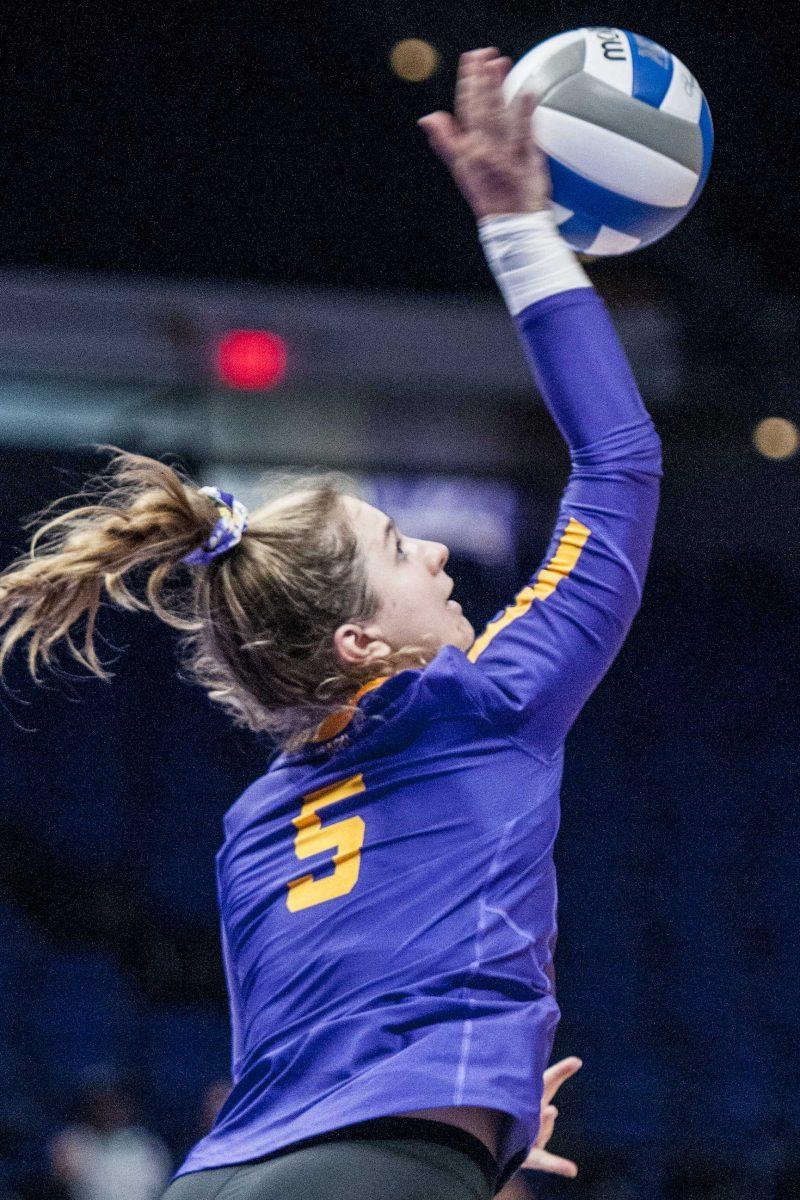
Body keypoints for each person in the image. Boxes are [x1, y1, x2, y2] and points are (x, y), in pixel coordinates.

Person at [0, 46, 661, 1200]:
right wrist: (517, 227)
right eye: (404, 551)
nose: (442, 552)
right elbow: (617, 463)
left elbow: (316, 1058)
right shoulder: (480, 705)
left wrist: (480, 1106)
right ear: (362, 643)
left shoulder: (260, 821)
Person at [48, 1071, 172, 1200]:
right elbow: (60, 1179)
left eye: (113, 1102)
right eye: (99, 1104)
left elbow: (160, 1188)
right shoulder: (73, 1140)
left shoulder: (149, 1145)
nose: (107, 1110)